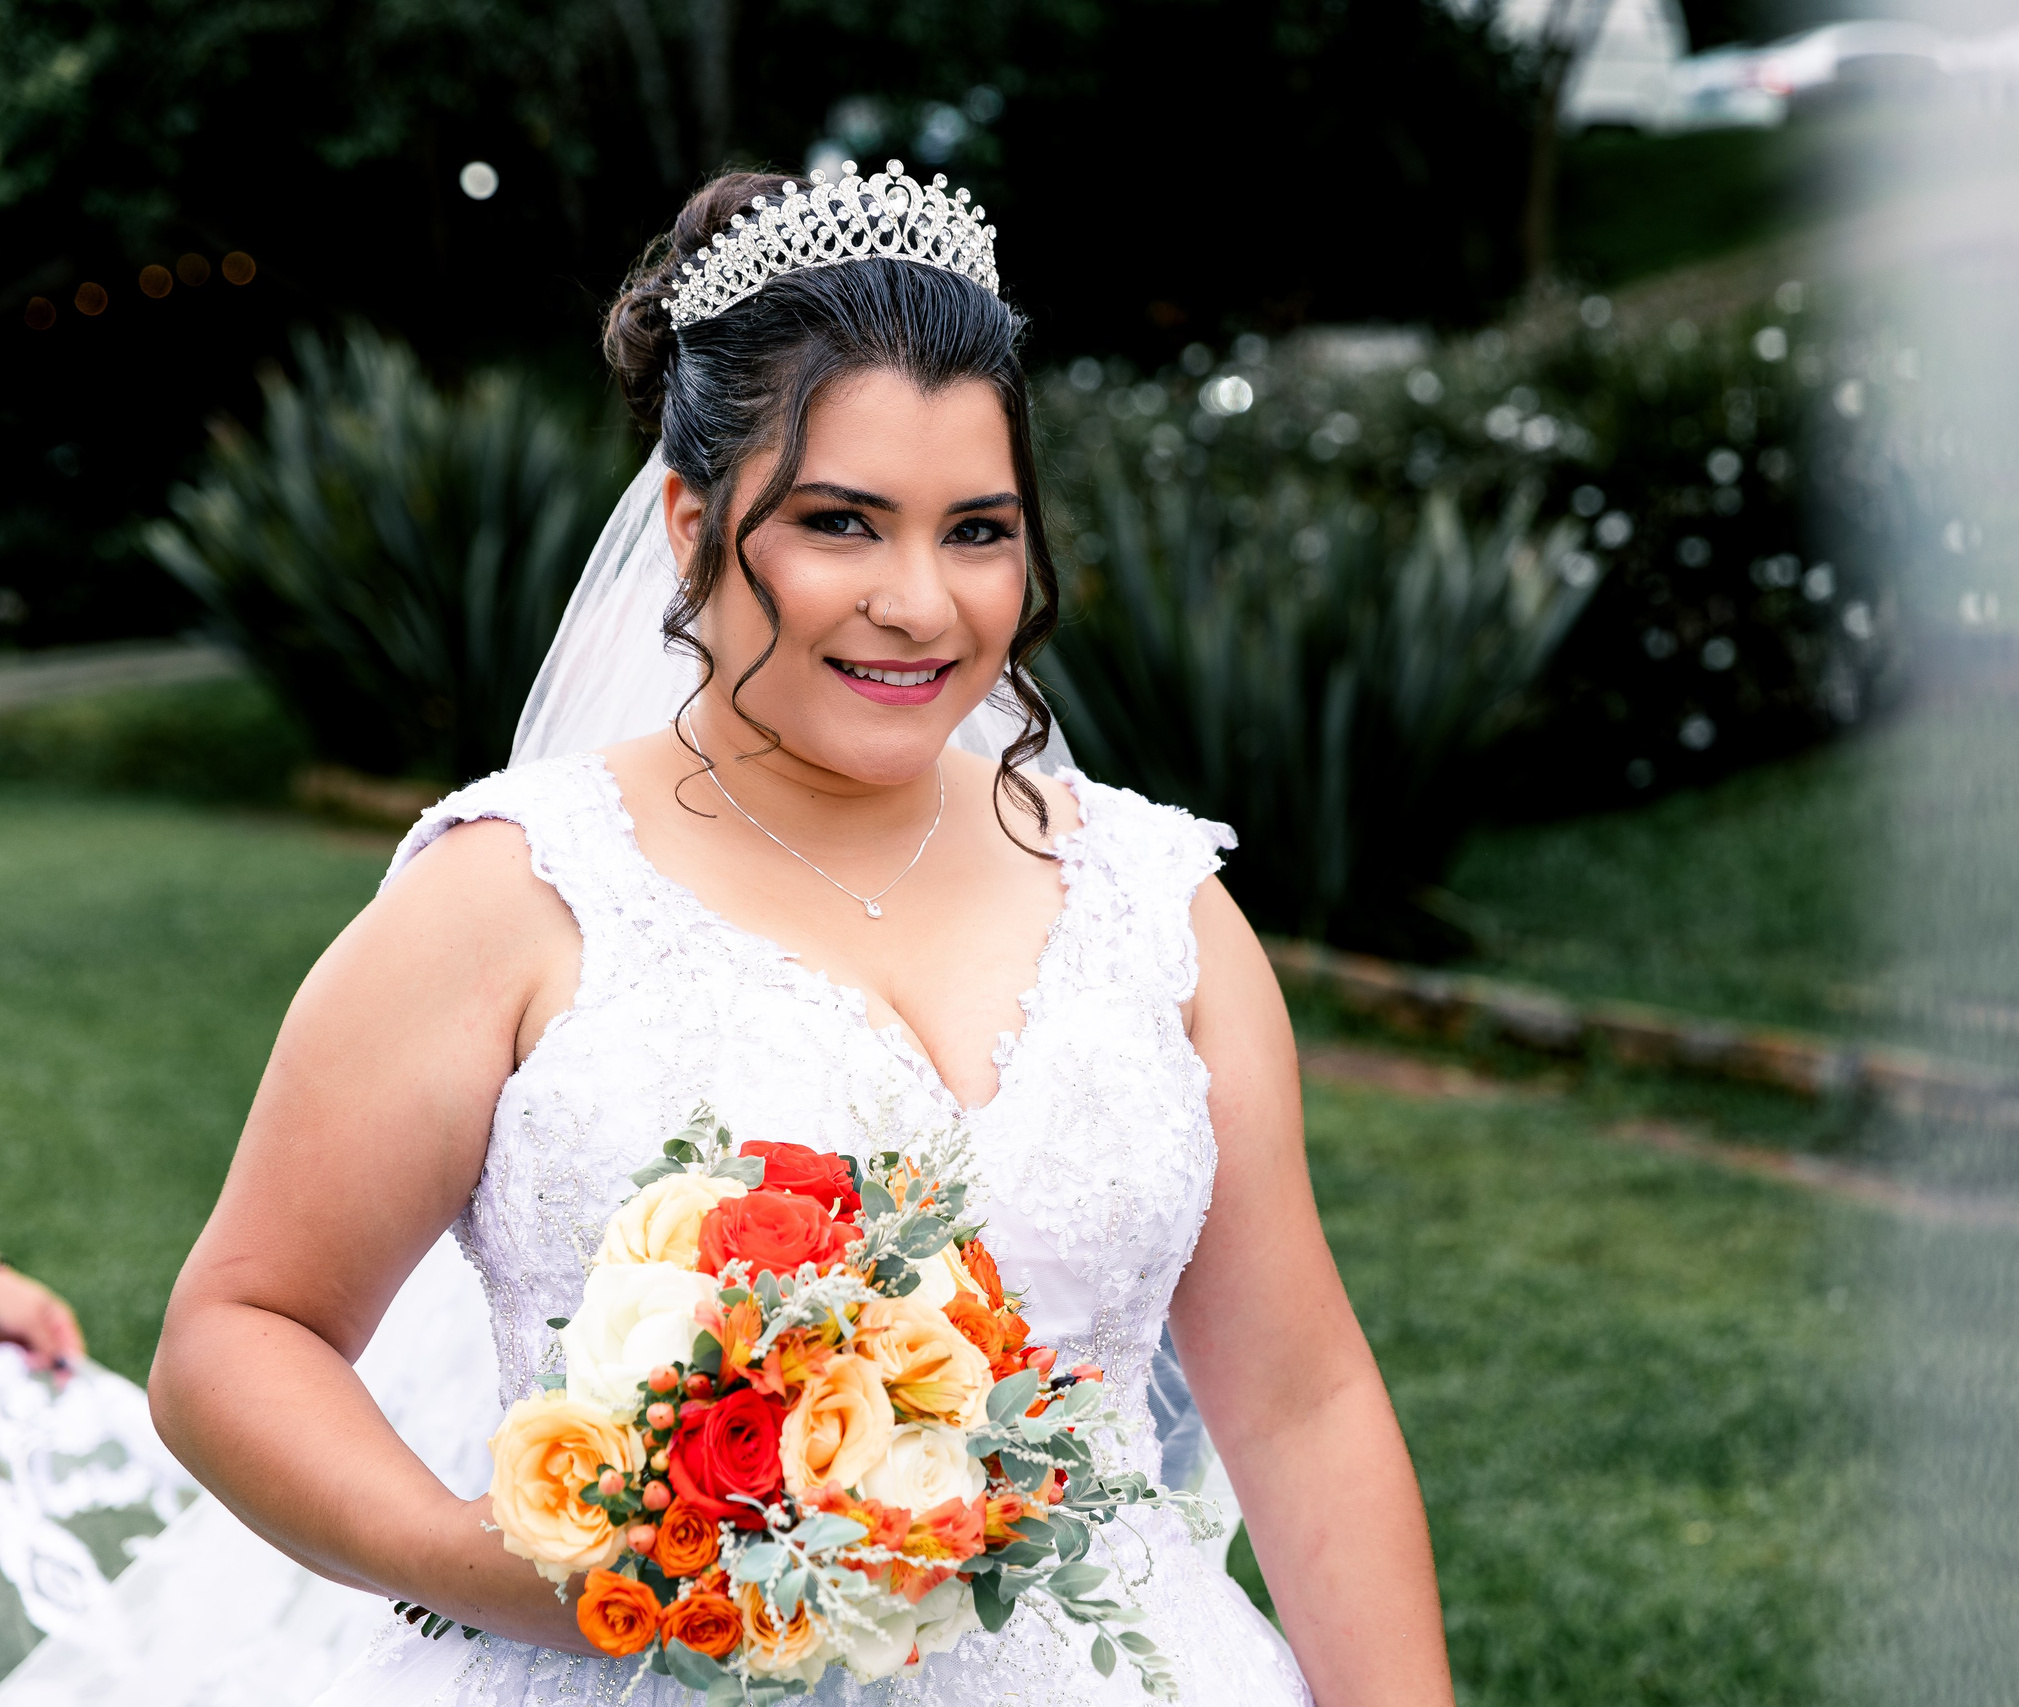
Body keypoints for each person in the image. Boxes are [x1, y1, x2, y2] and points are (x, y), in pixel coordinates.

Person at [143, 164, 1453, 1706]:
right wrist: (501, 1565)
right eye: (841, 523)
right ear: (695, 525)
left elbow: (1298, 1402)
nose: (922, 601)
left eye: (979, 530)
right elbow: (238, 1332)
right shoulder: (513, 896)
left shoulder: (1155, 904)